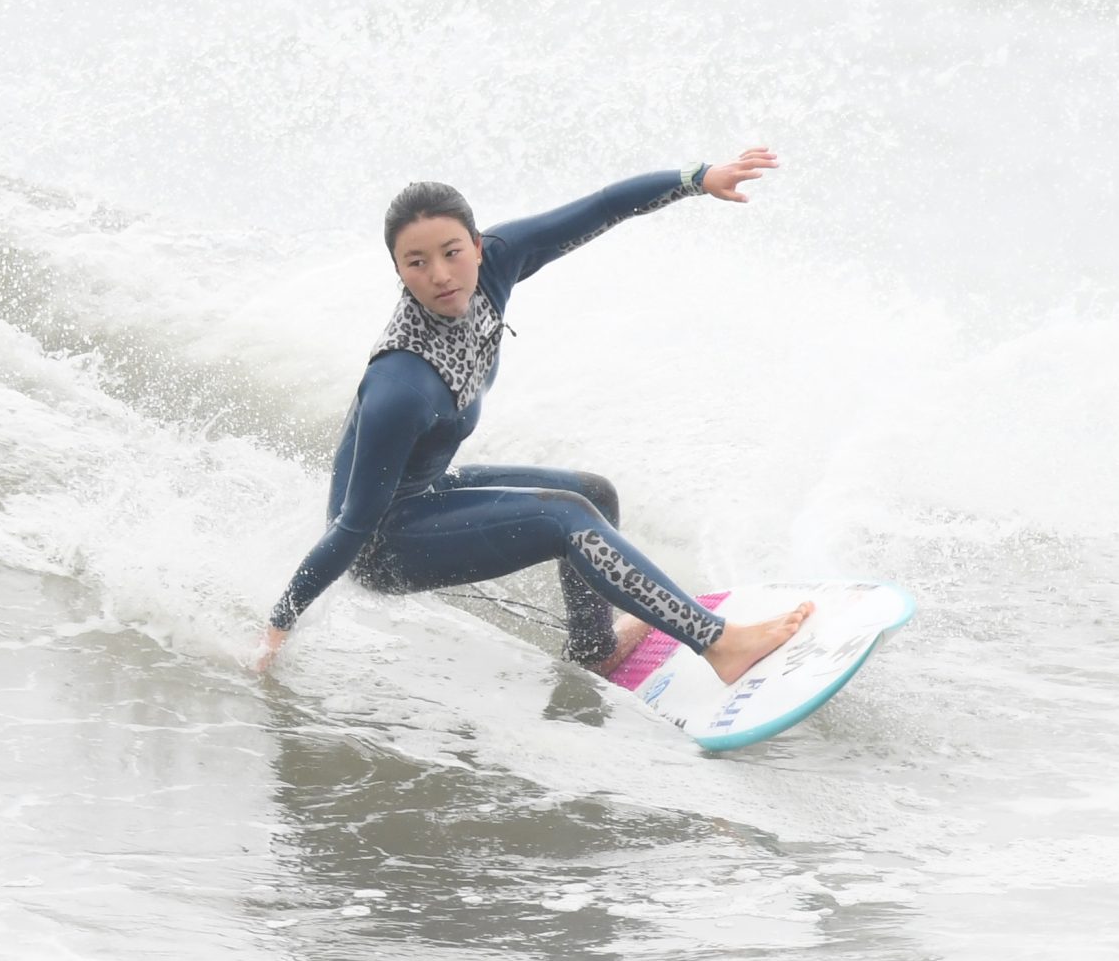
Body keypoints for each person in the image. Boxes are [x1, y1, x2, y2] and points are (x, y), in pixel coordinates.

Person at [254, 148, 813, 678]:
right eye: (417, 263)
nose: (442, 275)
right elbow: (352, 527)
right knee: (568, 517)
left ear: (476, 244)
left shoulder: (496, 266)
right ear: (399, 270)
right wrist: (280, 623)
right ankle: (718, 643)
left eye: (452, 252)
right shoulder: (400, 386)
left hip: (428, 493)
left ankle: (593, 647)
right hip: (383, 544)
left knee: (594, 493)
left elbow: (598, 208)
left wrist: (696, 179)